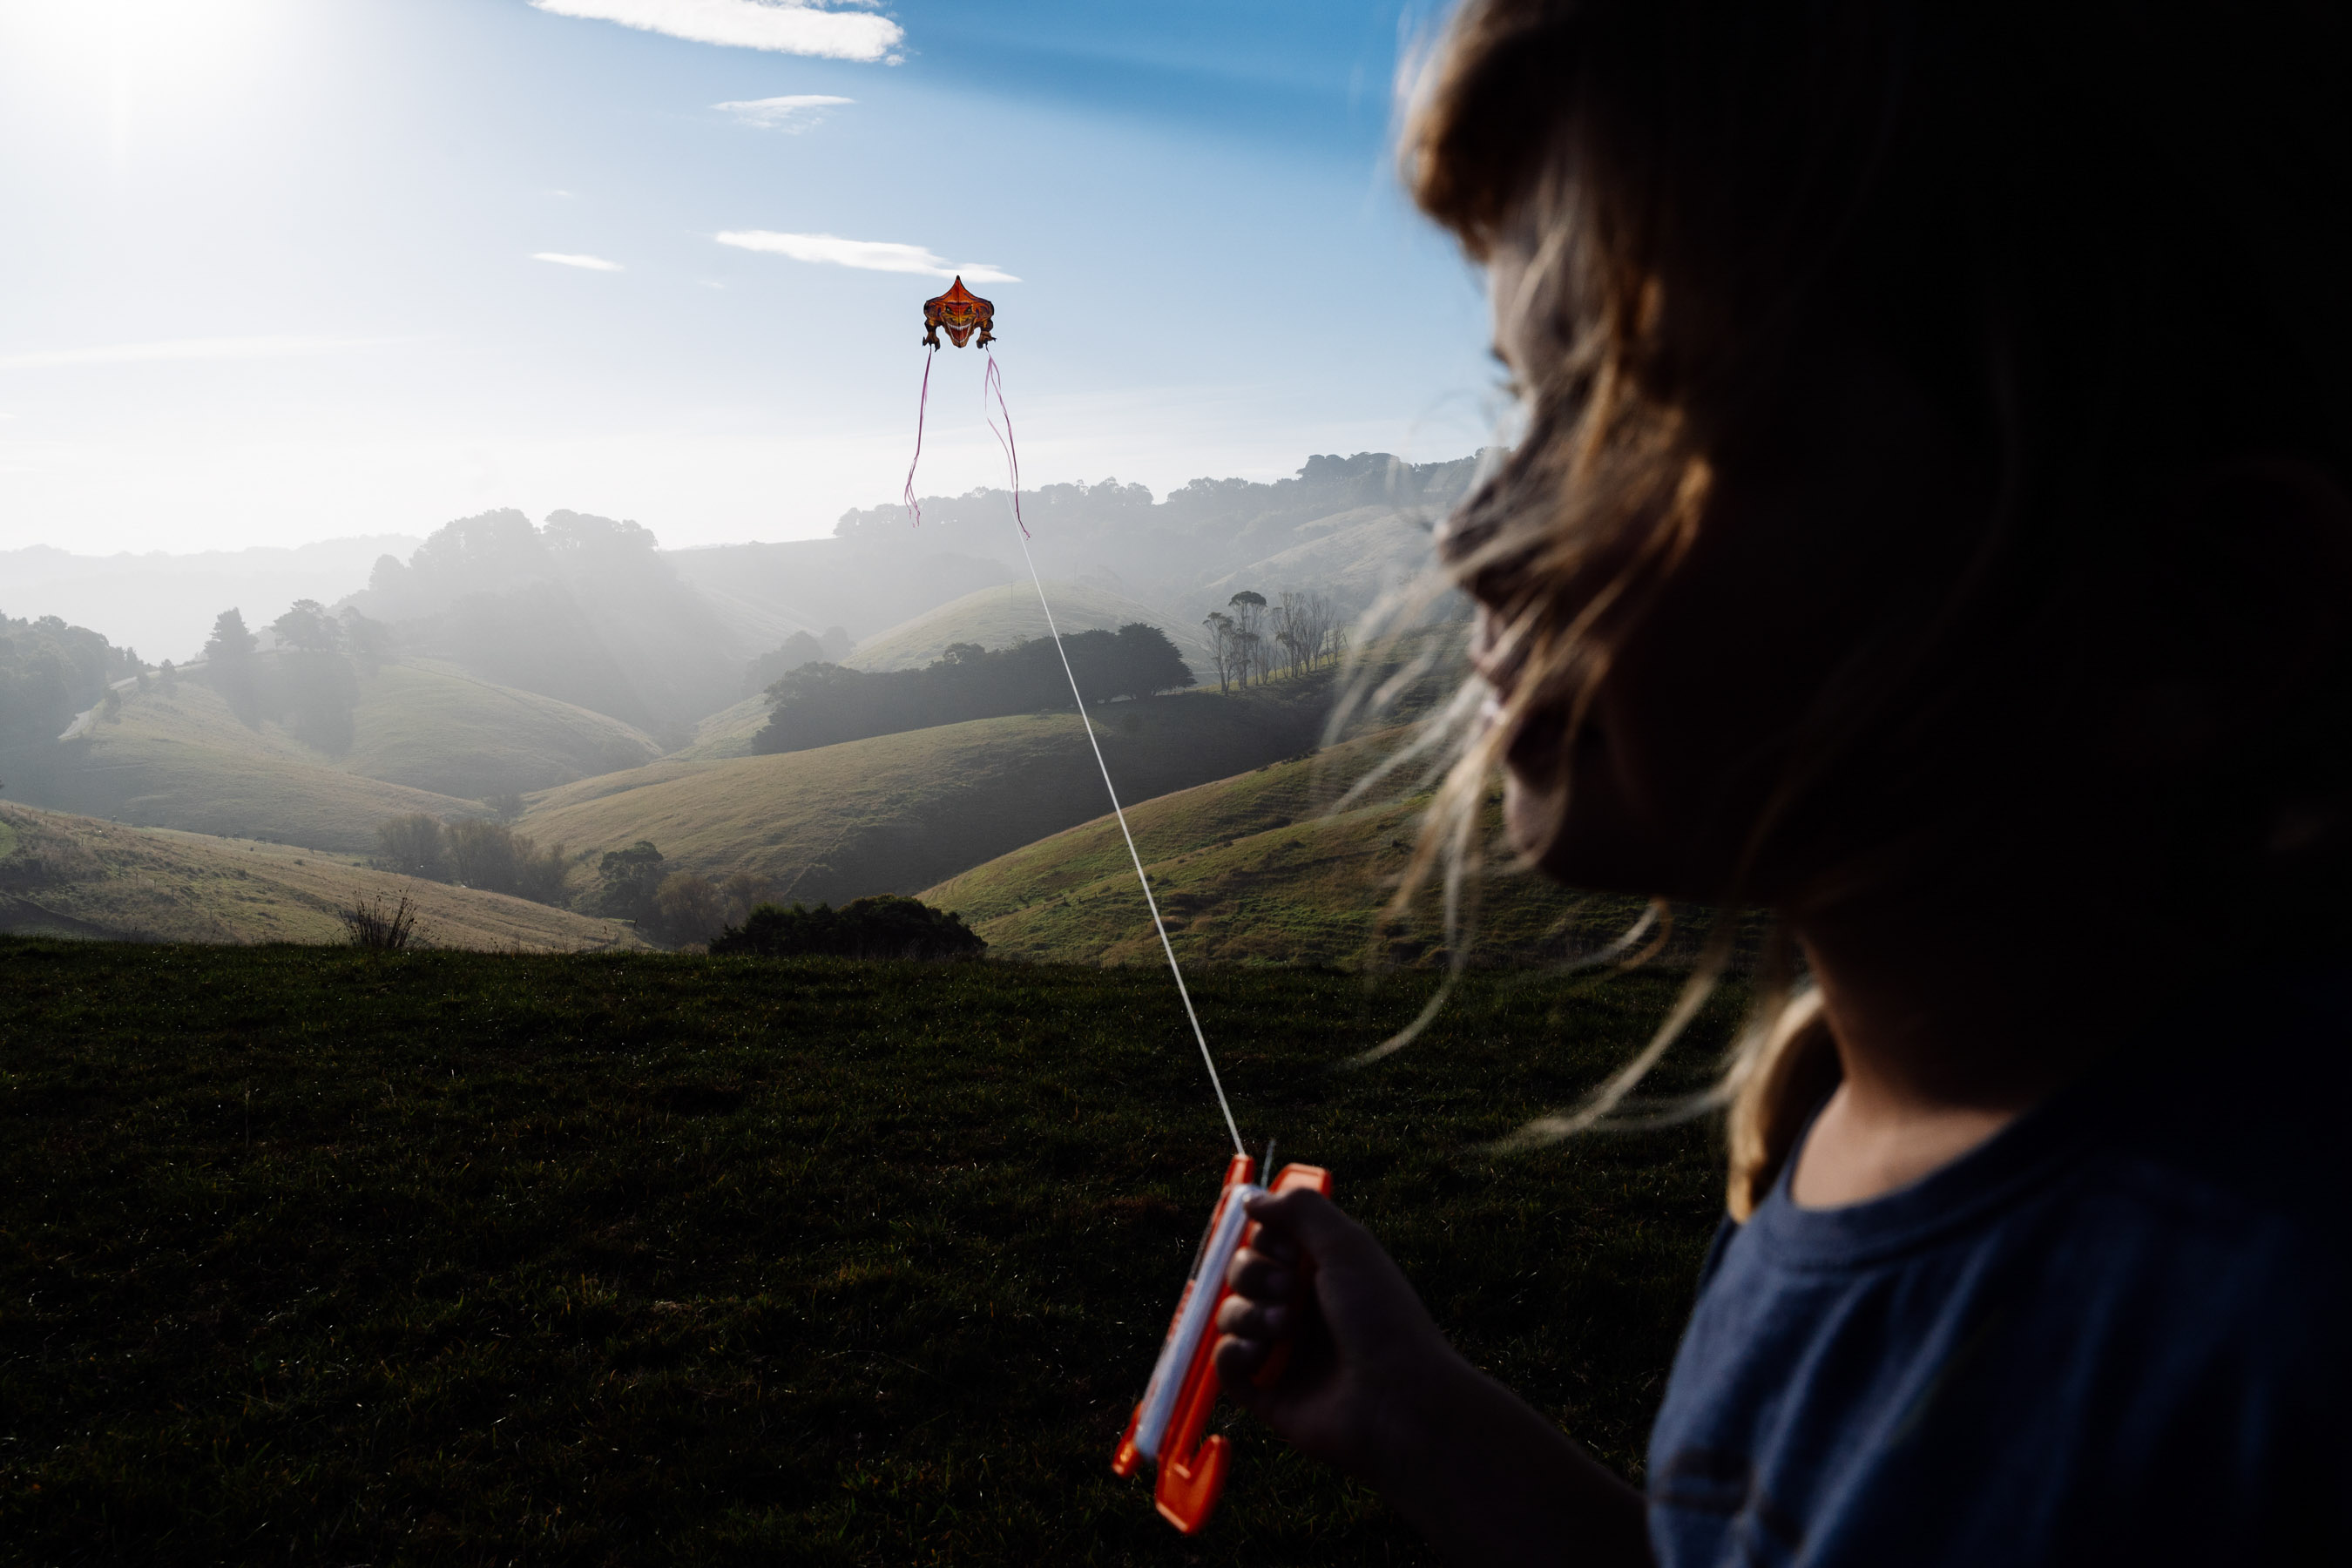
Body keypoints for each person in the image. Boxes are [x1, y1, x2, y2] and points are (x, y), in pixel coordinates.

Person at [1209, 2, 2352, 1561]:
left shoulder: (2263, 1340)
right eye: (1523, 402)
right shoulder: (1828, 1117)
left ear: (2183, 613)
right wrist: (1424, 1421)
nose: (1469, 539)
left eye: (1634, 409)